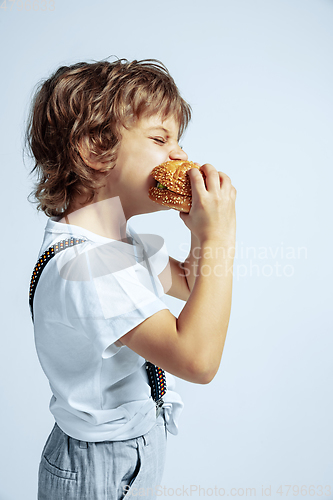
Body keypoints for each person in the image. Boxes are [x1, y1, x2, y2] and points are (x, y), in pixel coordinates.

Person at [26, 58, 237, 500]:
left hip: (132, 446)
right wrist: (219, 236)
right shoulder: (86, 267)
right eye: (160, 139)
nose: (179, 156)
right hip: (97, 466)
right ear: (94, 149)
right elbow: (196, 360)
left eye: (179, 141)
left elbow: (193, 281)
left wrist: (202, 232)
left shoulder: (121, 243)